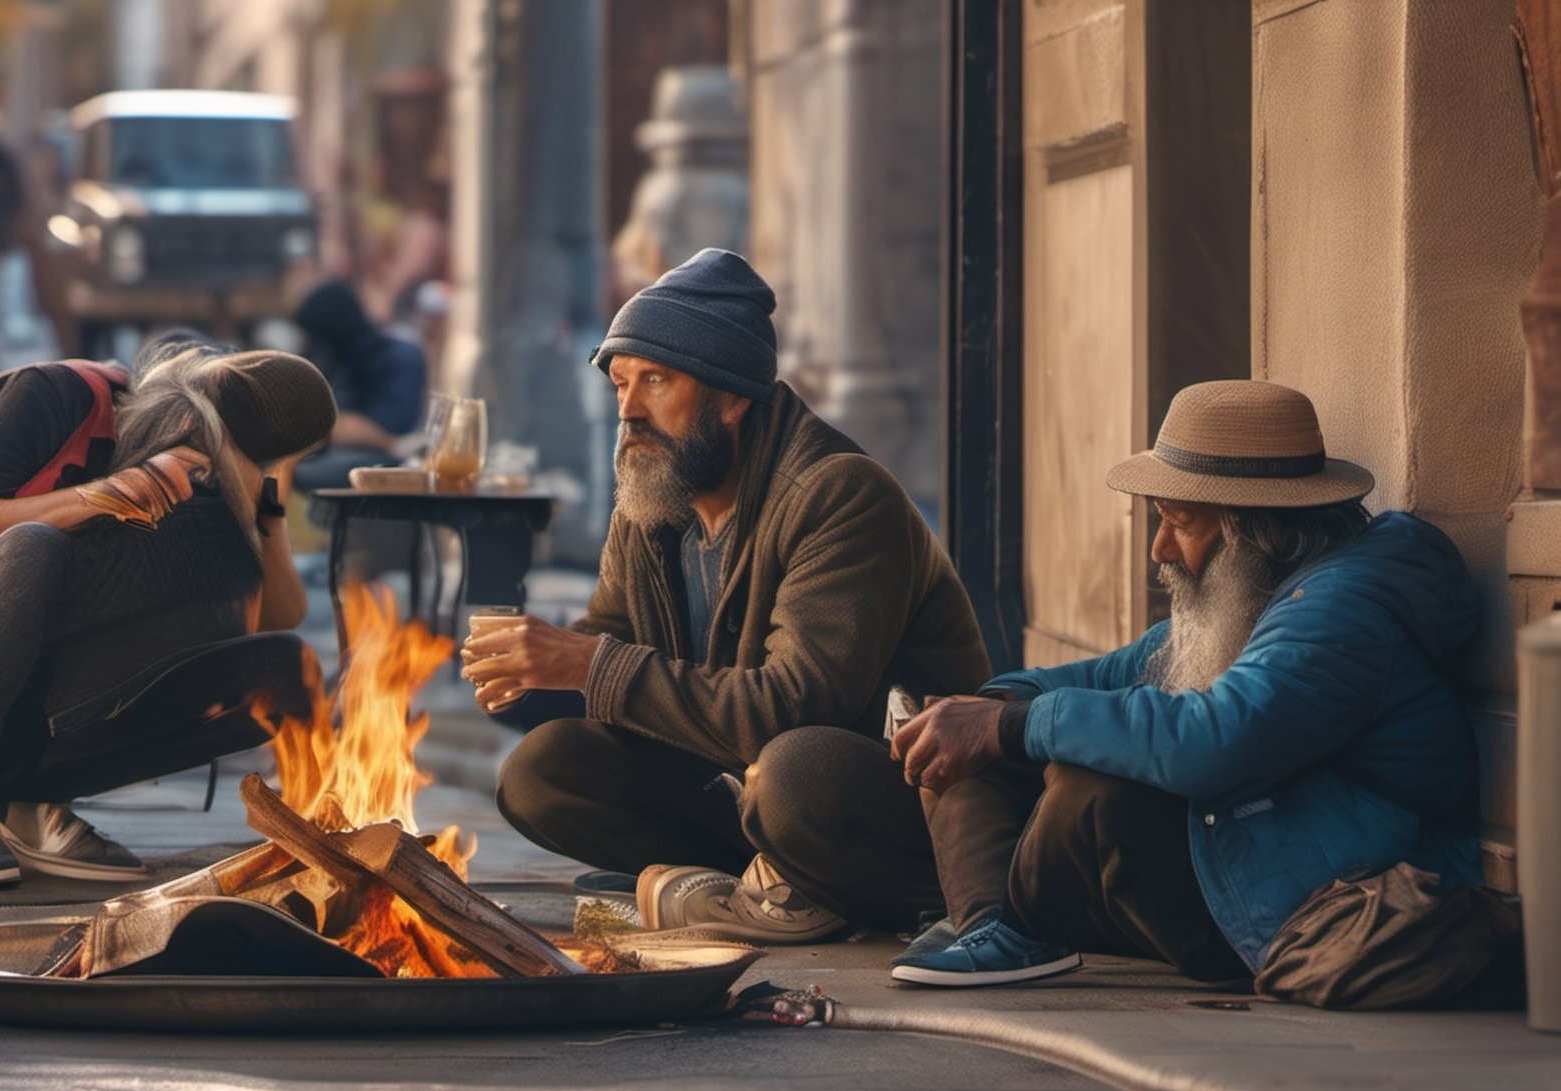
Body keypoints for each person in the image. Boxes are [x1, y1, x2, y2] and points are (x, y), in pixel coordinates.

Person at [461, 248, 991, 943]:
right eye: (620, 384)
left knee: (793, 772)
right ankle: (766, 887)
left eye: (655, 380)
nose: (629, 410)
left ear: (732, 395)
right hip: (745, 793)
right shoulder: (654, 494)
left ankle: (848, 891)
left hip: (888, 800)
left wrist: (587, 666)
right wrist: (532, 672)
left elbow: (790, 708)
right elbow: (613, 644)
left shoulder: (839, 495)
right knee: (541, 771)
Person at [886, 379, 1483, 987]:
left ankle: (1015, 924)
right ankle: (992, 925)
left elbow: (1216, 742)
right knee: (980, 744)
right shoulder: (1264, 595)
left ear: (1254, 531)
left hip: (1308, 891)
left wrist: (1014, 725)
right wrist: (987, 709)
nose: (1159, 549)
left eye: (1180, 523)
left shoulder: (1343, 611)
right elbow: (1103, 674)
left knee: (1090, 782)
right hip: (1252, 843)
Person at [0, 342, 338, 888]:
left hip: (40, 719)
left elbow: (281, 614)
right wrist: (105, 495)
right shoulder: (57, 395)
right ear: (182, 413)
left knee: (285, 667)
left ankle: (27, 802)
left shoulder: (221, 486)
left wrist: (262, 500)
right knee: (34, 547)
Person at [289, 279, 426, 492]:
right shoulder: (334, 357)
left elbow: (390, 435)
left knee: (300, 473)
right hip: (340, 452)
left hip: (385, 460)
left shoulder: (398, 355)